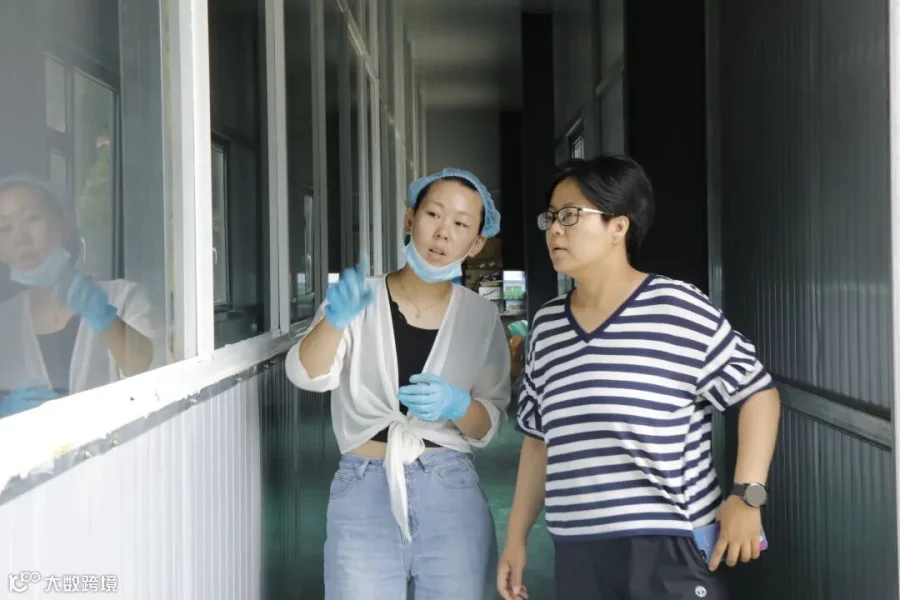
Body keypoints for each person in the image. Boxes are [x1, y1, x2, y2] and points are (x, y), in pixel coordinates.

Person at [497, 156, 781, 600]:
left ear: (618, 226)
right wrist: (516, 539)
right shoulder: (548, 327)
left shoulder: (677, 308)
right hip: (578, 547)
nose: (554, 230)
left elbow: (757, 394)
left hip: (671, 543)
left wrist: (747, 495)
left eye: (569, 215)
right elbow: (539, 441)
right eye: (550, 218)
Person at [285, 167, 511, 599]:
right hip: (363, 487)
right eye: (433, 214)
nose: (443, 233)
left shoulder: (481, 317)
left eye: (461, 224)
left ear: (476, 243)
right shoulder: (359, 299)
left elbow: (489, 424)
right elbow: (305, 375)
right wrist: (336, 320)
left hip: (451, 489)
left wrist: (457, 406)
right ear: (410, 219)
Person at [0, 174, 162, 418]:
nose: (20, 238)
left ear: (65, 224)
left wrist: (106, 319)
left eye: (32, 218)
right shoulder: (4, 321)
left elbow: (155, 377)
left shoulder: (124, 298)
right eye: (4, 228)